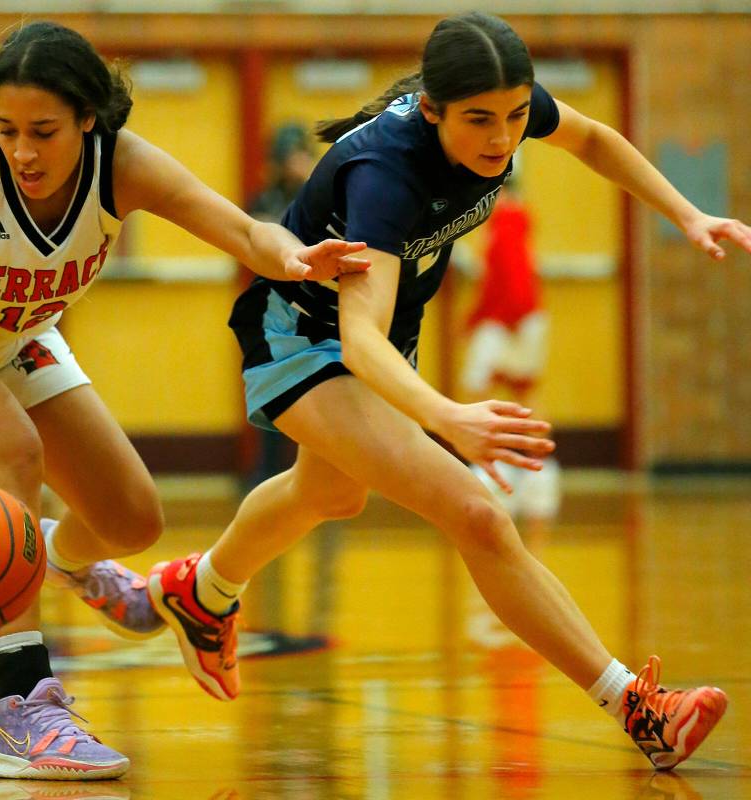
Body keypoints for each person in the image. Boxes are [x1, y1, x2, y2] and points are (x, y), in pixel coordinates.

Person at [143, 11, 751, 771]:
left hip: (376, 338)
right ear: (431, 109)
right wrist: (444, 417)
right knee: (477, 512)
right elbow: (357, 341)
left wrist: (687, 212)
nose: (502, 138)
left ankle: (202, 591)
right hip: (301, 336)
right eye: (479, 121)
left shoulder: (504, 111)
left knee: (328, 493)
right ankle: (638, 707)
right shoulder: (383, 177)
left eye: (517, 116)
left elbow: (594, 140)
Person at [0, 20, 367, 781]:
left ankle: (55, 560)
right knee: (11, 451)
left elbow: (237, 228)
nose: (22, 151)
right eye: (8, 129)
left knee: (130, 517)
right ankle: (22, 708)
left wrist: (293, 258)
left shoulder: (123, 166)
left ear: (89, 118)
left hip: (2, 332)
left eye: (43, 131)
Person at [460, 177, 560, 520]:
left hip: (510, 319)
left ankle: (489, 466)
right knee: (524, 392)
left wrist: (501, 318)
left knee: (479, 390)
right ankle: (537, 468)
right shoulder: (516, 220)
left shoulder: (508, 218)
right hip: (520, 317)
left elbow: (512, 275)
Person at [246, 123, 318, 485]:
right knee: (271, 393)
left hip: (315, 309)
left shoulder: (318, 196)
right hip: (271, 310)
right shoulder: (264, 200)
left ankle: (317, 469)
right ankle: (267, 471)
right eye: (292, 156)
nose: (298, 162)